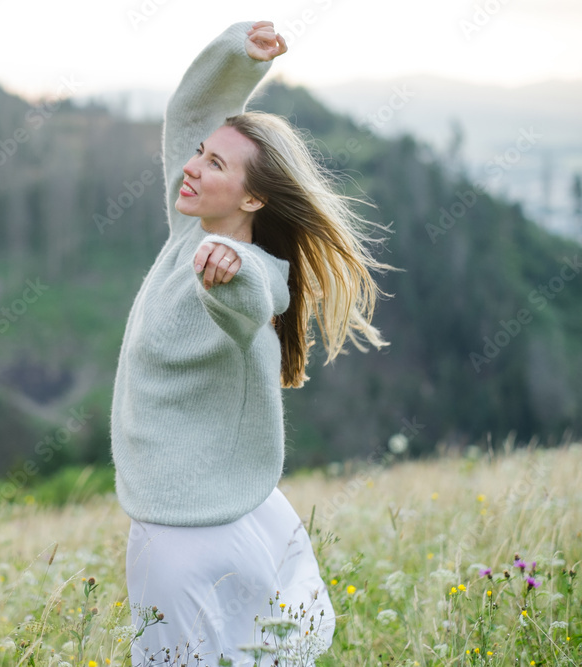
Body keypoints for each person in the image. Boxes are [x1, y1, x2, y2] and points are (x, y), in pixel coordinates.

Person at [109, 19, 391, 667]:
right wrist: (238, 53)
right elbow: (190, 111)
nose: (192, 166)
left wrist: (228, 272)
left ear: (255, 196)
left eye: (214, 163)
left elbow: (253, 299)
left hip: (184, 535)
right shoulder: (188, 232)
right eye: (200, 152)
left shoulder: (249, 267)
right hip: (227, 508)